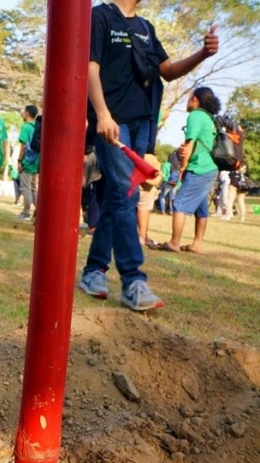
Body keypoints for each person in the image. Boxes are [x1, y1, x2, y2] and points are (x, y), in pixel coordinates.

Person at [78, 0, 218, 311]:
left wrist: (202, 54)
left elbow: (166, 71)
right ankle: (133, 281)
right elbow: (90, 66)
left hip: (142, 124)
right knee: (124, 193)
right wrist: (101, 113)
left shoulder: (145, 28)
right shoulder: (100, 16)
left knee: (120, 195)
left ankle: (93, 271)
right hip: (113, 121)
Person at [154, 88, 221, 253]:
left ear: (195, 99)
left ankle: (174, 242)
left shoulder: (196, 116)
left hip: (199, 168)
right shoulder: (209, 118)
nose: (187, 100)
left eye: (189, 97)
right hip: (211, 168)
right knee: (201, 208)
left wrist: (182, 166)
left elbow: (189, 144)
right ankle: (196, 244)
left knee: (179, 204)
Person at [15, 105, 39, 221]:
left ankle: (26, 212)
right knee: (33, 188)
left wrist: (19, 161)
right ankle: (38, 211)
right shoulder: (37, 126)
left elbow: (23, 146)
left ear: (27, 113)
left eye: (24, 111)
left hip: (27, 161)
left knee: (25, 188)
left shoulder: (26, 127)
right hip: (36, 162)